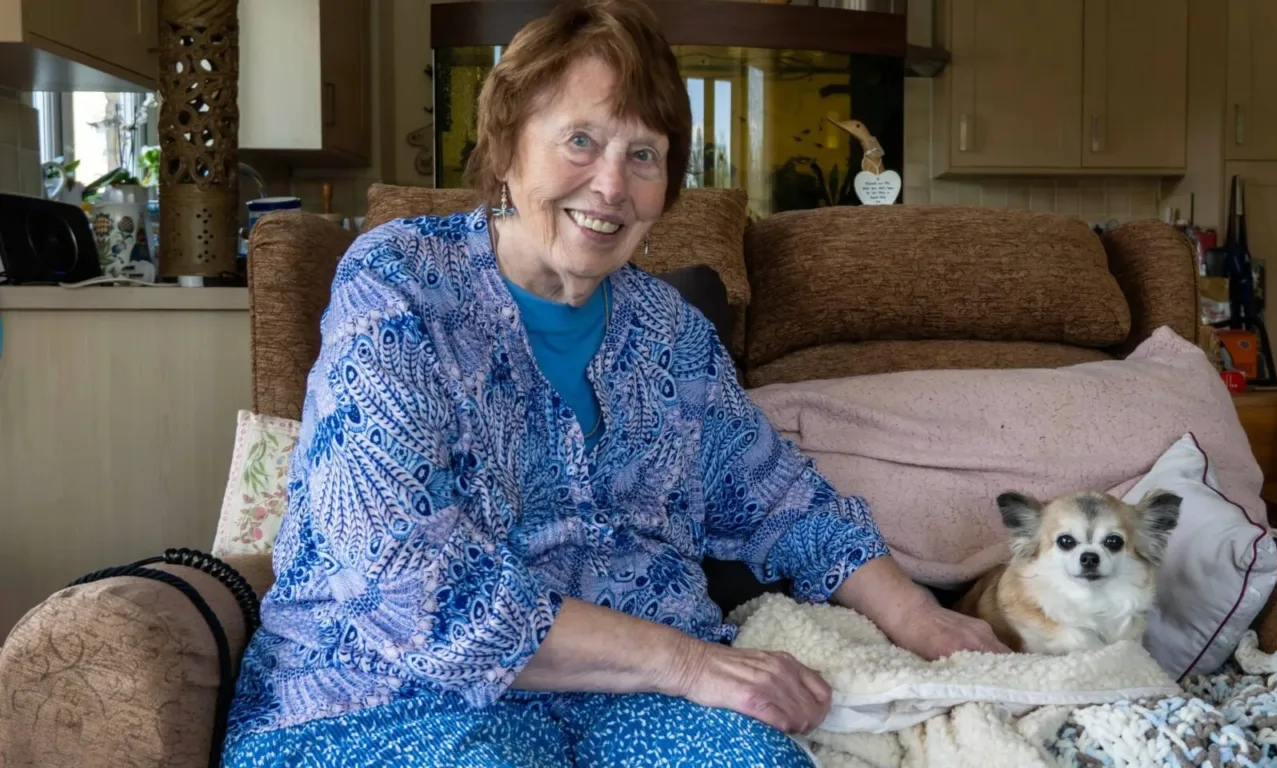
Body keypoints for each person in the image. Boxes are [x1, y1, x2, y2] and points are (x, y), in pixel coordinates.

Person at [220, 1, 1008, 765]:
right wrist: (691, 665)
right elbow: (403, 576)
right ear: (505, 149)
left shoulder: (671, 334)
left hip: (626, 704)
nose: (609, 185)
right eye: (580, 140)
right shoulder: (399, 286)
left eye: (643, 155)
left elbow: (782, 500)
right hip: (390, 693)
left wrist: (919, 618)